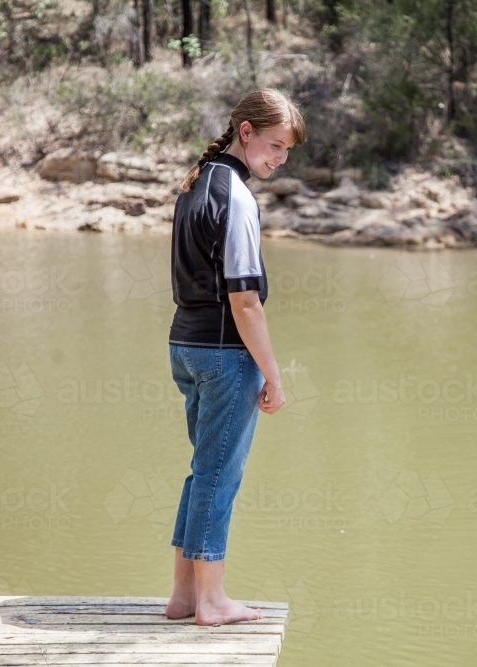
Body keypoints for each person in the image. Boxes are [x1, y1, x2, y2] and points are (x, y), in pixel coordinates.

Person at [164, 89, 307, 626]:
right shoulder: (239, 199)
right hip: (225, 353)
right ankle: (212, 602)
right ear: (245, 132)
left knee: (203, 471)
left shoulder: (196, 183)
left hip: (186, 345)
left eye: (287, 151)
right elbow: (245, 301)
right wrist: (273, 376)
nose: (279, 158)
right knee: (219, 476)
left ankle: (183, 597)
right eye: (273, 146)